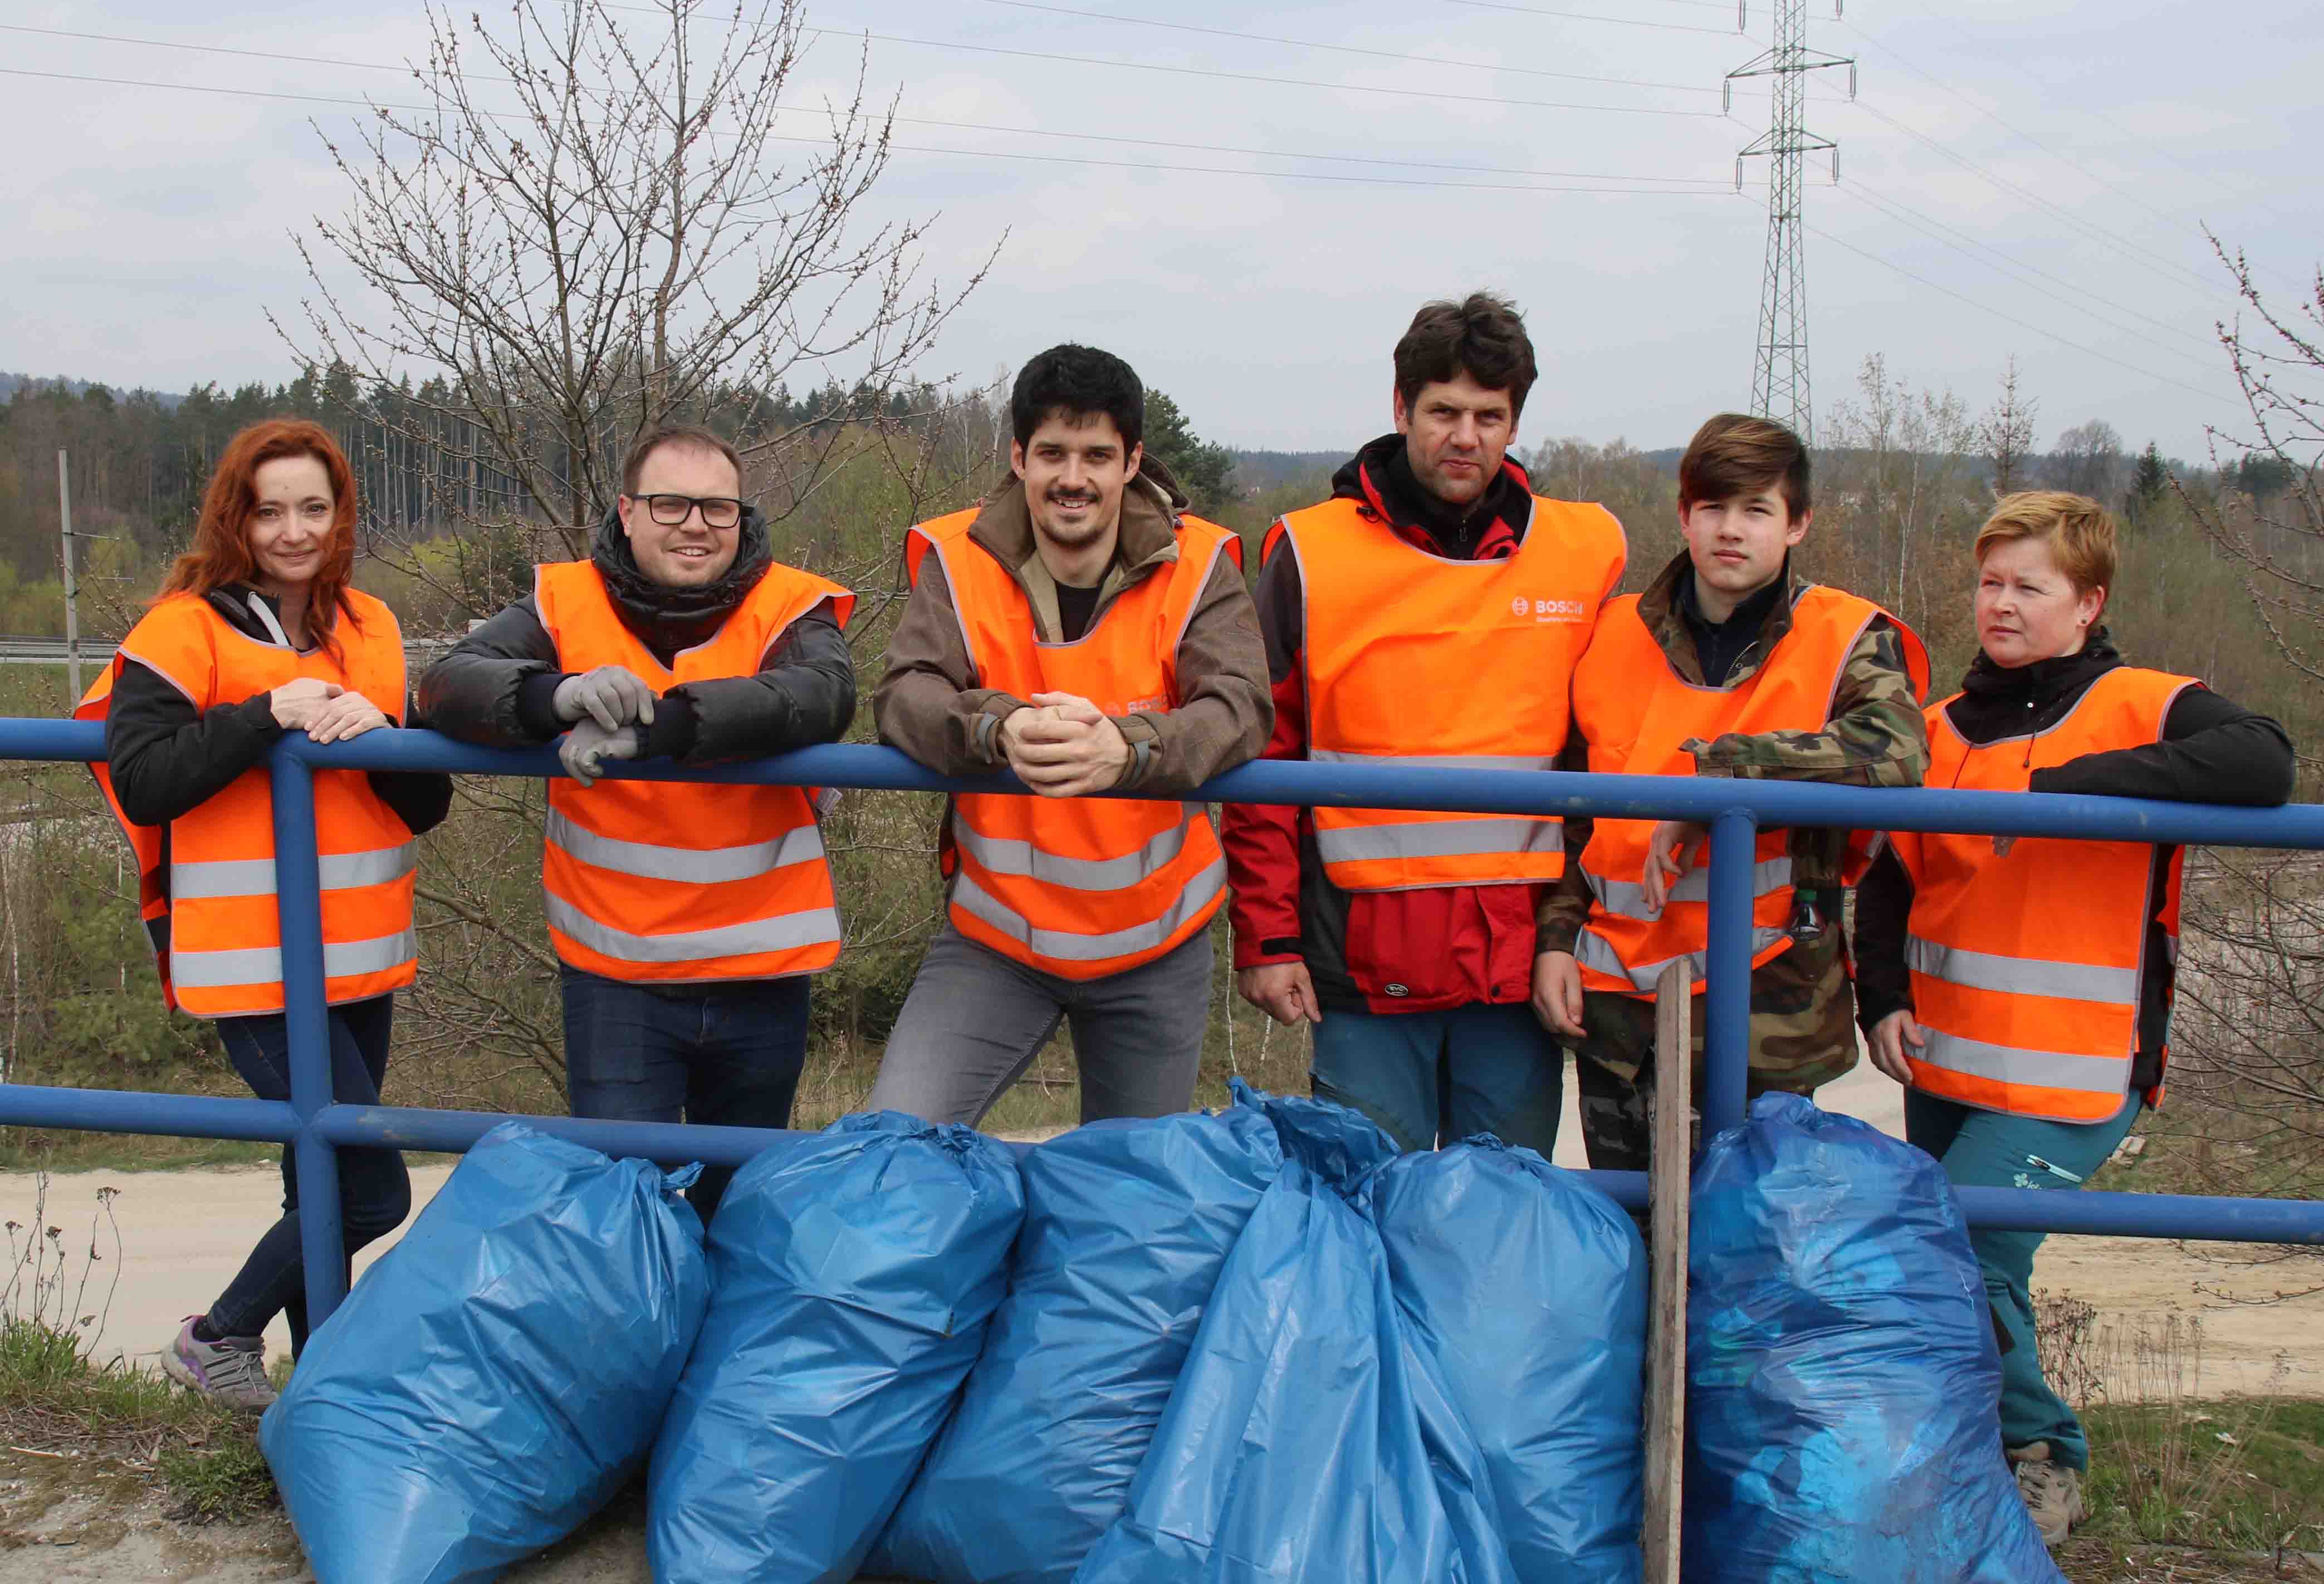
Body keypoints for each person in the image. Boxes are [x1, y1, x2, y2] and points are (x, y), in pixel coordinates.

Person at [1855, 489, 2293, 1546]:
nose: (2000, 605)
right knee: (1960, 1257)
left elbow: (2265, 762)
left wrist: (2077, 790)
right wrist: (1884, 999)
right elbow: (1889, 876)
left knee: (1962, 1248)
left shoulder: (2143, 701)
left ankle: (2046, 1454)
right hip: (1947, 1060)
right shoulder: (1945, 727)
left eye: (2029, 587)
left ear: (2088, 602)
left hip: (2075, 1070)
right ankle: (1971, 1464)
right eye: (1990, 582)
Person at [77, 418, 452, 1408]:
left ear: (342, 518)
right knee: (373, 1186)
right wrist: (269, 711)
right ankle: (219, 1335)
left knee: (316, 1185)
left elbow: (427, 803)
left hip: (364, 955)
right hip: (252, 962)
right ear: (233, 515)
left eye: (314, 509)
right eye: (269, 508)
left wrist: (383, 734)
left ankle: (318, 1388)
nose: (292, 529)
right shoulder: (183, 625)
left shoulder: (372, 624)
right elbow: (147, 777)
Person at [417, 424, 855, 1219]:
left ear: (742, 515)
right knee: (627, 1213)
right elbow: (446, 684)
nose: (696, 524)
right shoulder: (565, 600)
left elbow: (824, 694)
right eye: (671, 504)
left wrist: (661, 729)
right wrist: (557, 695)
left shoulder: (791, 602)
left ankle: (722, 1349)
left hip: (762, 972)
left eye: (717, 508)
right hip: (618, 976)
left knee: (741, 1212)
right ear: (626, 511)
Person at [1222, 293, 1626, 1154]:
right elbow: (1263, 758)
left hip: (1518, 968)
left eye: (1490, 416)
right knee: (1368, 1211)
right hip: (1363, 968)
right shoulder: (1309, 553)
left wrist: (1579, 933)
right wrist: (1267, 935)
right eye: (1443, 411)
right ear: (1401, 408)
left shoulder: (1585, 552)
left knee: (1502, 1220)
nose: (1465, 436)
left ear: (1516, 423)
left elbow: (1613, 758)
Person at [867, 344, 1271, 1124]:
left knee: (1129, 1201)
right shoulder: (955, 559)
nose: (1073, 478)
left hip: (1156, 948)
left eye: (1097, 454)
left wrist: (1131, 748)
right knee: (894, 1143)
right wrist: (997, 726)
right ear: (1018, 457)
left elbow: (1242, 707)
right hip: (994, 939)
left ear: (1133, 462)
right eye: (1052, 452)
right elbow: (904, 694)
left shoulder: (1200, 565)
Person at [1530, 412, 1928, 1171]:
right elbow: (1577, 817)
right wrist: (1556, 939)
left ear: (1799, 522)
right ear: (1684, 515)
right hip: (1620, 1014)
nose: (1730, 530)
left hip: (1767, 1015)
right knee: (1632, 1246)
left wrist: (1718, 781)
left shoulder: (1843, 634)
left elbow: (1897, 750)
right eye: (1712, 507)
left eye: (1756, 509)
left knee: (1750, 1255)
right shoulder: (1610, 636)